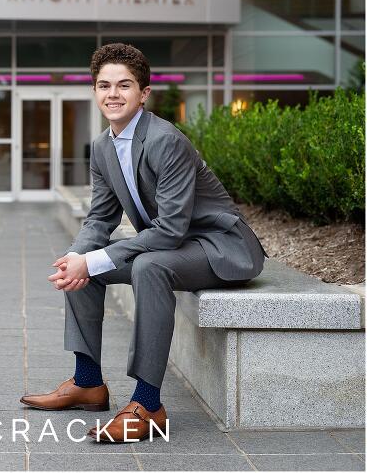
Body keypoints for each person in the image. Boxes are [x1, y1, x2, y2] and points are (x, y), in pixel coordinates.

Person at [19, 43, 267, 443]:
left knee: (148, 266)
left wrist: (96, 258)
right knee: (83, 265)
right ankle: (87, 382)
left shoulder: (165, 140)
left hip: (220, 247)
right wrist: (78, 256)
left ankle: (148, 404)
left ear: (144, 93)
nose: (112, 94)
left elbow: (169, 229)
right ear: (95, 90)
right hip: (177, 244)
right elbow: (100, 216)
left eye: (124, 85)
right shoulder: (102, 146)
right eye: (103, 85)